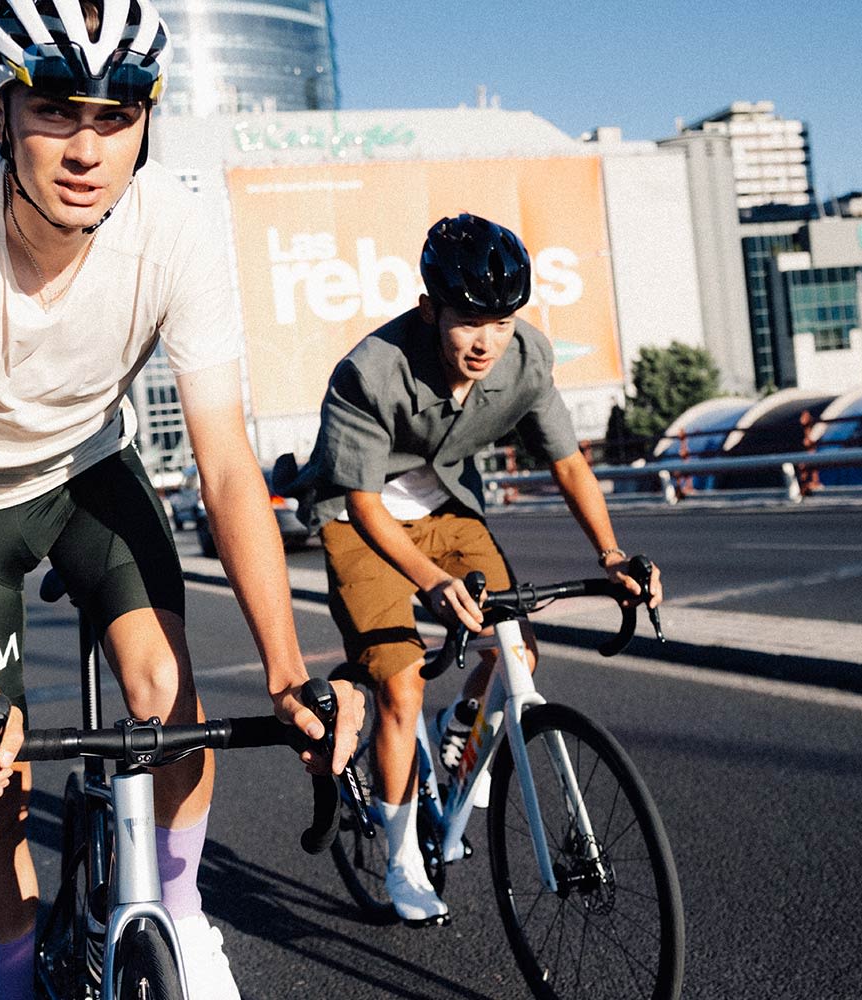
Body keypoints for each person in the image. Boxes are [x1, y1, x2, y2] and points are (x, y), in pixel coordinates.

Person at [0, 3, 361, 997]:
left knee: (167, 694)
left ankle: (185, 913)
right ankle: (13, 980)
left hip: (87, 477)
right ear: (0, 116)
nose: (87, 148)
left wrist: (291, 674)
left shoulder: (178, 229)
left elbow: (230, 468)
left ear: (148, 123)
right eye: (56, 111)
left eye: (117, 115)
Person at [279, 214, 664, 926]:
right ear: (430, 311)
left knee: (516, 645)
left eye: (503, 321)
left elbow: (568, 461)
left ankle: (461, 724)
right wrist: (428, 580)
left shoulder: (526, 358)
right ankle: (402, 859)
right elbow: (364, 504)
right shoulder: (370, 371)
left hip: (449, 508)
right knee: (398, 683)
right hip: (362, 521)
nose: (486, 340)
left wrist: (609, 553)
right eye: (468, 322)